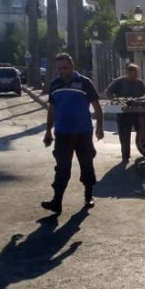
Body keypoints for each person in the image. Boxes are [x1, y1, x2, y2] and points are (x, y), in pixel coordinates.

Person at [42, 53, 104, 214]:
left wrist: (100, 127)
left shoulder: (85, 83)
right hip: (62, 133)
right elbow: (51, 109)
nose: (62, 71)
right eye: (59, 68)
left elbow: (97, 107)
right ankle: (57, 201)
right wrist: (48, 131)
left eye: (65, 67)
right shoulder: (55, 84)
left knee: (87, 164)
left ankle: (88, 196)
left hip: (83, 132)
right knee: (62, 168)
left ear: (72, 65)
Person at [104, 63, 145, 163]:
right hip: (123, 113)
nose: (136, 75)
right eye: (134, 73)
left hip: (138, 112)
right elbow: (108, 92)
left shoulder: (139, 83)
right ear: (128, 73)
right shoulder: (119, 82)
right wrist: (115, 101)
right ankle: (125, 156)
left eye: (137, 73)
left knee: (142, 132)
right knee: (124, 135)